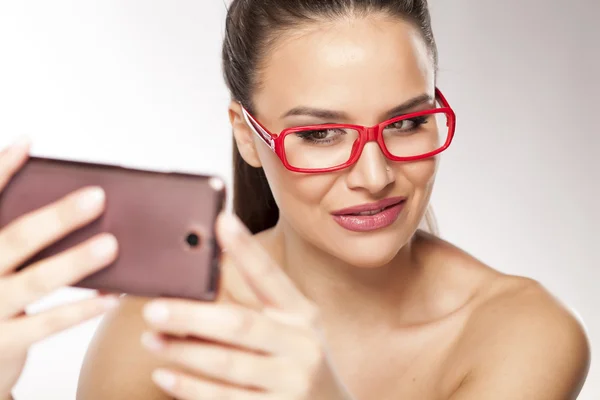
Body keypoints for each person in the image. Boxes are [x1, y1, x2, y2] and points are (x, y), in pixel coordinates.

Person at [0, 1, 591, 399]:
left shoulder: (522, 332)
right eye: (317, 134)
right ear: (247, 135)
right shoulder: (162, 328)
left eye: (407, 123)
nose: (374, 174)